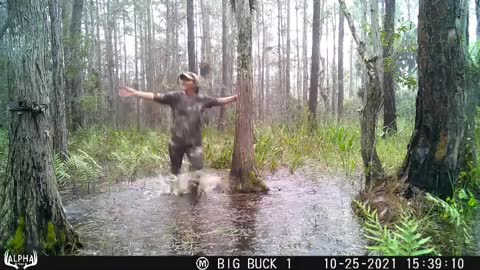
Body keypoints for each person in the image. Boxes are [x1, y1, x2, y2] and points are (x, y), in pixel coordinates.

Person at [118, 71, 237, 176]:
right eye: (183, 79)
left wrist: (235, 97)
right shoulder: (175, 97)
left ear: (195, 83)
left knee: (197, 173)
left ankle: (194, 198)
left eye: (187, 79)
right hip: (176, 143)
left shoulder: (202, 99)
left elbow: (219, 101)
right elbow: (154, 96)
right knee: (175, 175)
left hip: (194, 144)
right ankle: (175, 197)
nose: (183, 81)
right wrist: (135, 93)